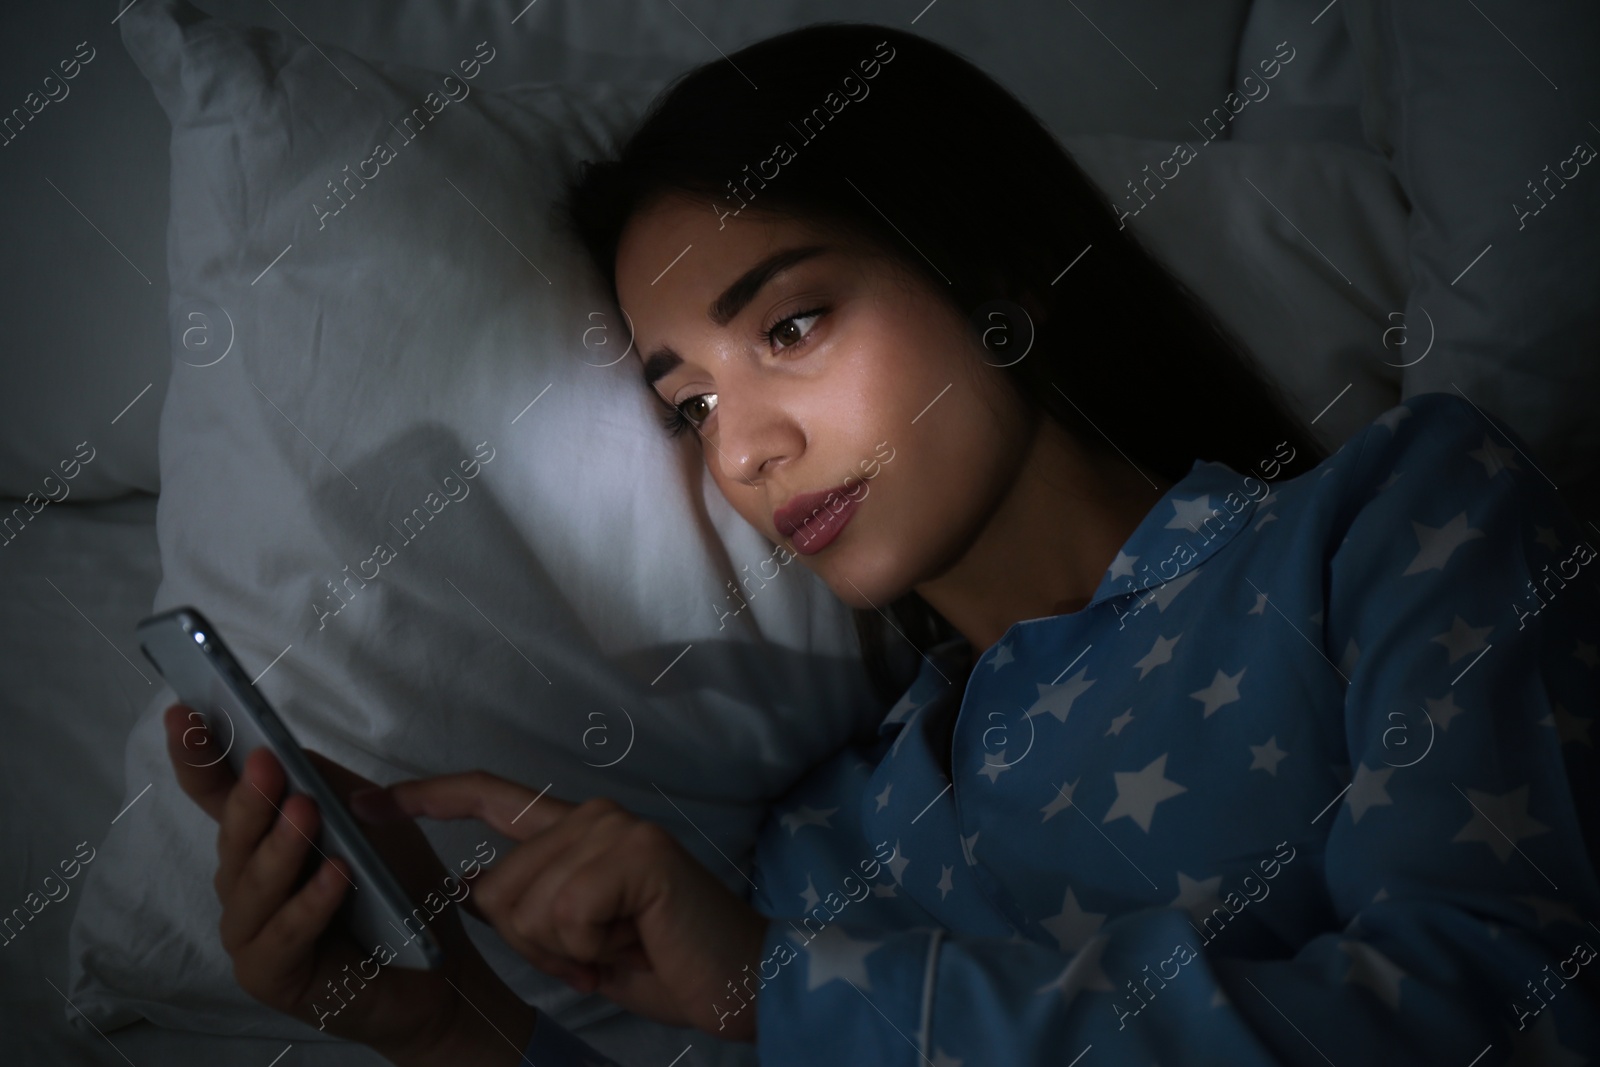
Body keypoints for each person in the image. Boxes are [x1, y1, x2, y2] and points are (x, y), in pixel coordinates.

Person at [165, 22, 1600, 1067]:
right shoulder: (833, 847)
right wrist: (453, 1025)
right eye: (690, 408)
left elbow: (1508, 1011)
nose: (744, 452)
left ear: (995, 279)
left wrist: (790, 997)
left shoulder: (1412, 525)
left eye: (791, 325)